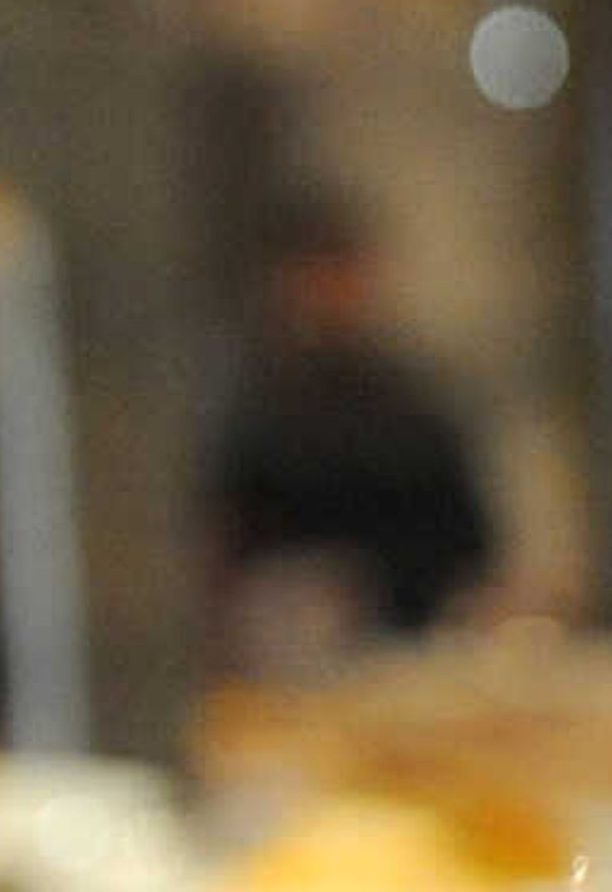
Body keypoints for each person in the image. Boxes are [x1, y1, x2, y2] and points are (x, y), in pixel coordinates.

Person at [208, 191, 498, 670]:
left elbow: (472, 545)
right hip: (286, 661)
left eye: (340, 275)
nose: (328, 295)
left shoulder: (417, 406)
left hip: (410, 654)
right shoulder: (255, 410)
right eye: (313, 277)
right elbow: (228, 544)